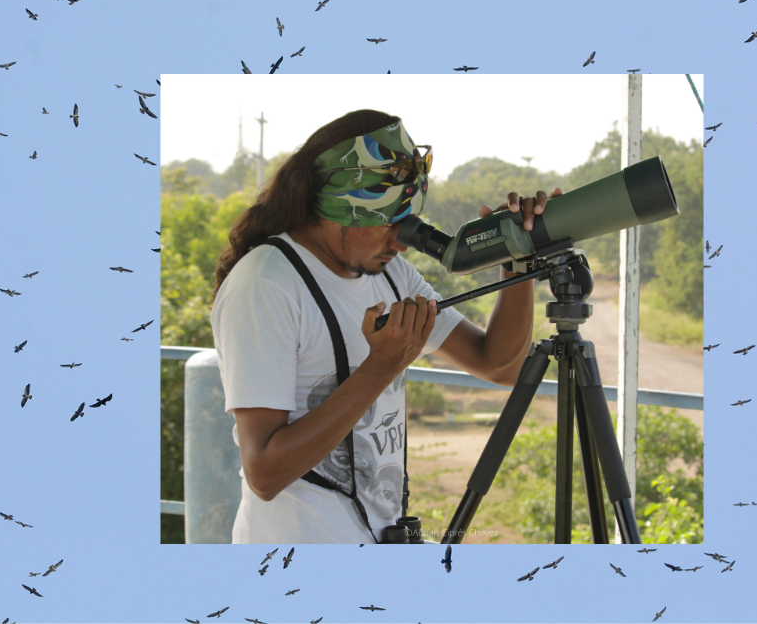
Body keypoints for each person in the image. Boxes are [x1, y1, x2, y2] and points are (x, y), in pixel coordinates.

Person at [210, 109, 559, 543]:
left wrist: (517, 263)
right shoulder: (266, 285)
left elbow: (499, 366)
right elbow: (263, 473)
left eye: (408, 224)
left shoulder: (391, 274)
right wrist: (381, 367)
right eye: (386, 223)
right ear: (336, 207)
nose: (399, 241)